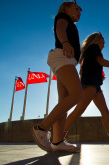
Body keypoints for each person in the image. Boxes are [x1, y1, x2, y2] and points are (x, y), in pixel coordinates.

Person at [32, 1, 83, 152]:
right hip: (62, 56)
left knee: (64, 101)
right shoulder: (63, 17)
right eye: (76, 8)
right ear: (66, 8)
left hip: (66, 59)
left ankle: (57, 141)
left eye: (81, 10)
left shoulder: (71, 23)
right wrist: (66, 42)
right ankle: (41, 128)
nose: (79, 12)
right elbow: (60, 28)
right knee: (77, 94)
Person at [63, 32, 109, 148]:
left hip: (95, 84)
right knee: (79, 110)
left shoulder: (89, 51)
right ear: (97, 40)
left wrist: (98, 76)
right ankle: (59, 138)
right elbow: (100, 61)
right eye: (103, 42)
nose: (104, 45)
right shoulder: (94, 48)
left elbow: (83, 70)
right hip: (90, 84)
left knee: (105, 111)